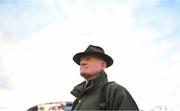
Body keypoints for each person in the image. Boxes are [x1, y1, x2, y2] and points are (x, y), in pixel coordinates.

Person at [71, 44, 139, 110]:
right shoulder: (78, 99)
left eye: (88, 59)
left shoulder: (115, 91)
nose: (82, 63)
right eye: (81, 60)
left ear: (103, 65)